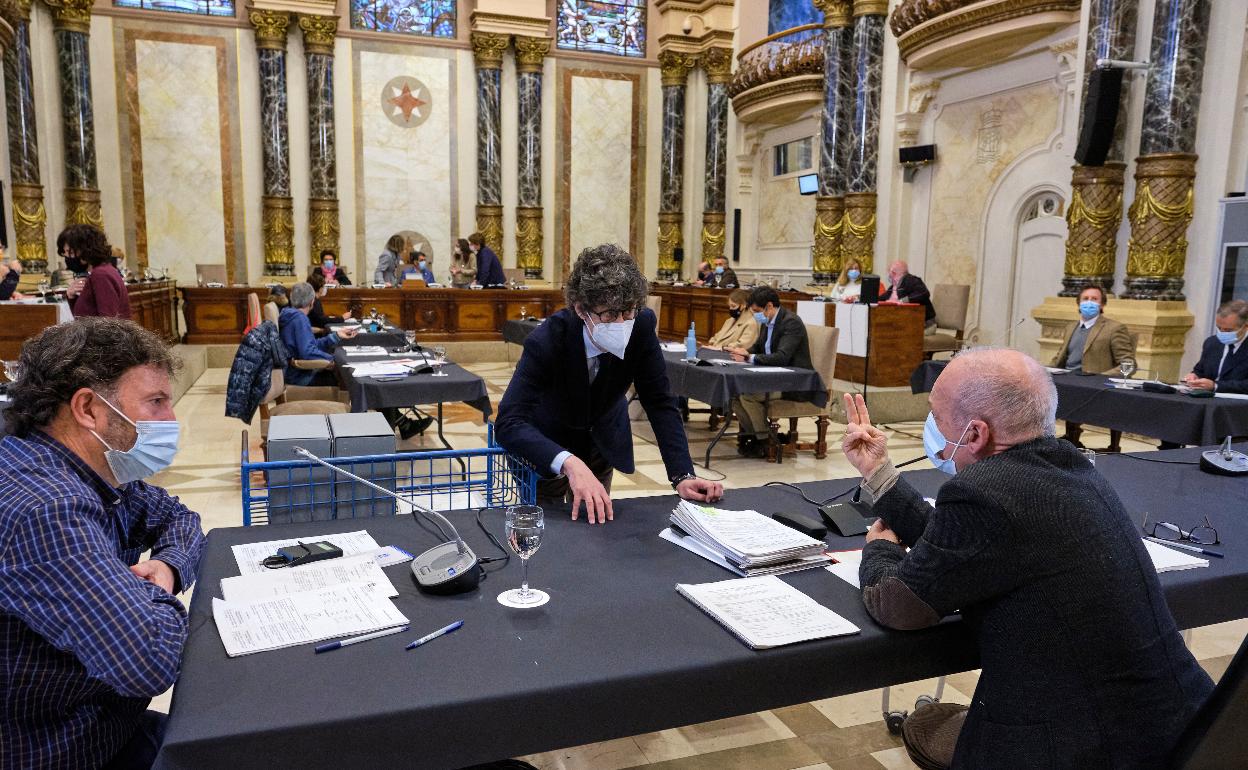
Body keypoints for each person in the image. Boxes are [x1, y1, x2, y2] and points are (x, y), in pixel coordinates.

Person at [841, 348, 1213, 769]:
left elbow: (900, 606)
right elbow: (965, 543)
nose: (931, 425)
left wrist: (880, 550)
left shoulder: (984, 491)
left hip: (1083, 748)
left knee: (924, 726)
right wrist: (879, 473)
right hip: (1180, 726)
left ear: (976, 434)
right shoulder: (1071, 465)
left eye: (935, 415)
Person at [0, 317, 206, 769]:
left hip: (107, 724)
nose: (170, 420)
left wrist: (168, 566)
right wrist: (151, 595)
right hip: (64, 750)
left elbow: (179, 518)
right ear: (88, 409)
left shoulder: (92, 468)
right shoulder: (46, 508)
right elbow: (148, 658)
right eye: (155, 402)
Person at [496, 243, 723, 522]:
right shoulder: (547, 340)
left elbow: (660, 402)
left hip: (602, 439)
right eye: (610, 315)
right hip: (547, 442)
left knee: (595, 523)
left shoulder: (640, 325)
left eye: (629, 311)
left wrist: (682, 474)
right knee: (550, 527)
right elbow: (508, 422)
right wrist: (567, 462)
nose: (622, 323)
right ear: (581, 309)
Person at [725, 286, 811, 458]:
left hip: (792, 383)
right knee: (733, 396)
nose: (756, 315)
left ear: (769, 306)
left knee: (748, 395)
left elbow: (782, 357)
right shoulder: (767, 321)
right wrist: (744, 351)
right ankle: (760, 436)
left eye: (757, 311)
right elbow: (758, 347)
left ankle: (764, 440)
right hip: (771, 379)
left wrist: (749, 358)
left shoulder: (791, 322)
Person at [1050, 285, 1135, 449]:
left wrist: (1100, 378)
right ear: (1078, 303)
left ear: (1102, 305)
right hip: (1068, 381)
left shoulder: (1114, 328)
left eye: (1094, 299)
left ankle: (1074, 439)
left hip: (1093, 386)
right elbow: (1060, 358)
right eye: (1085, 299)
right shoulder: (1070, 327)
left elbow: (1128, 364)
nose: (1089, 303)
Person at [279, 282, 358, 386]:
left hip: (294, 372)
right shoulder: (300, 319)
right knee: (347, 377)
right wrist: (333, 359)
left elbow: (309, 345)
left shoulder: (290, 314)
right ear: (312, 302)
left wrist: (336, 336)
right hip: (299, 376)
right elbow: (307, 353)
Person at [61, 224, 132, 319]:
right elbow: (83, 317)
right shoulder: (102, 271)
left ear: (85, 250)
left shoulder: (100, 275)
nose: (67, 258)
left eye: (71, 252)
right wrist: (71, 296)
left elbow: (108, 323)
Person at [1182, 298, 1248, 394]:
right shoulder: (1211, 343)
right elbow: (1200, 371)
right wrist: (1194, 376)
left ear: (1245, 326)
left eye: (1228, 330)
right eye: (1219, 328)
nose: (1222, 333)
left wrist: (1215, 386)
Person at [883, 260, 936, 331]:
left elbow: (924, 293)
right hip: (907, 323)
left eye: (889, 273)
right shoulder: (892, 288)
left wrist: (903, 301)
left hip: (925, 324)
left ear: (893, 273)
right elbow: (881, 299)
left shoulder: (913, 280)